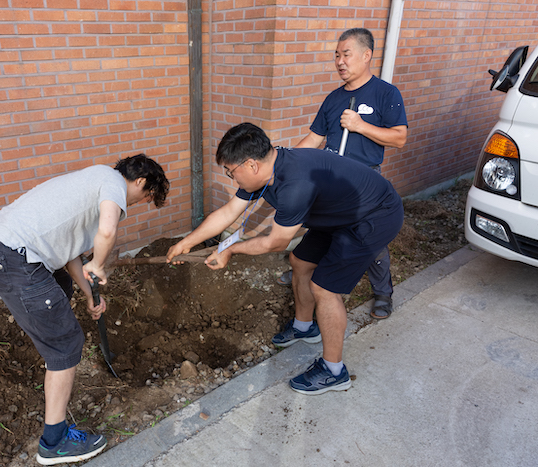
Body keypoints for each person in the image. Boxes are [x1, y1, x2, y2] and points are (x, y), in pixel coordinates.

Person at [167, 123, 403, 395]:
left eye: (231, 172)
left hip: (373, 216)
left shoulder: (295, 184)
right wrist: (186, 243)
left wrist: (230, 250)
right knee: (301, 262)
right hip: (340, 212)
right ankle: (304, 328)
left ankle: (334, 371)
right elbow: (228, 212)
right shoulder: (267, 172)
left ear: (251, 165)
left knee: (325, 287)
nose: (233, 179)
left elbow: (274, 241)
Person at [0, 155, 170, 465]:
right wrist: (99, 264)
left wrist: (90, 293)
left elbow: (70, 255)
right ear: (141, 182)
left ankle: (50, 344)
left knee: (60, 288)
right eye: (145, 198)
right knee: (66, 344)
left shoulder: (92, 179)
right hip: (14, 257)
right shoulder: (114, 185)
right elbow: (106, 234)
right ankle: (54, 442)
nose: (135, 204)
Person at [278, 27, 408, 320]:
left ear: (366, 55)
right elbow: (313, 139)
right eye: (336, 55)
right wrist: (285, 165)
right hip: (333, 182)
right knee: (323, 226)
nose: (340, 62)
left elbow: (399, 138)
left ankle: (382, 293)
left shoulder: (386, 93)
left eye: (346, 55)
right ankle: (305, 269)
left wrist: (361, 125)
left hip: (366, 186)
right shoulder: (333, 98)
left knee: (369, 241)